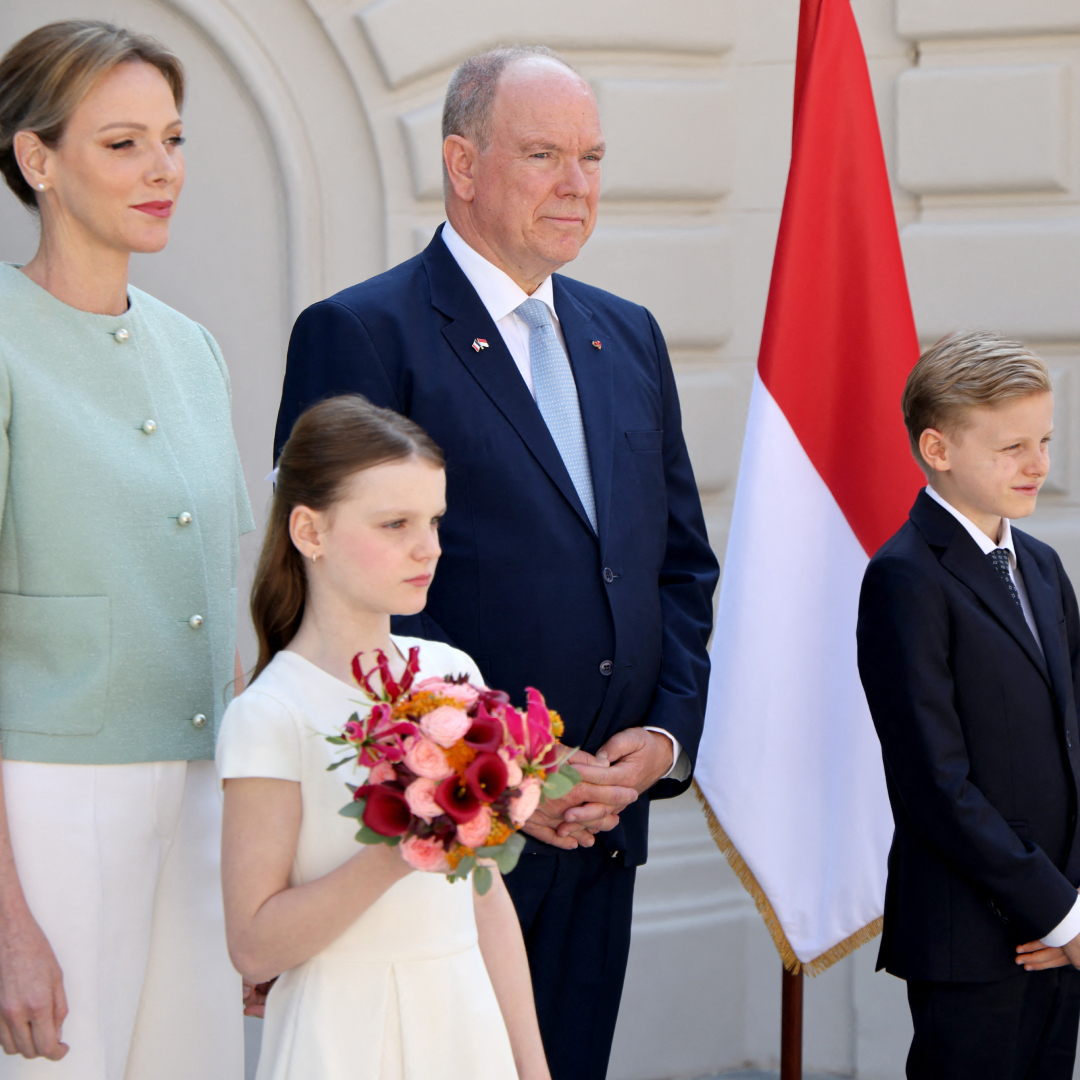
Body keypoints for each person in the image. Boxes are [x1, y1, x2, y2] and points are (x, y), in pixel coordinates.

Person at [273, 44, 718, 1080]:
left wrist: (662, 737)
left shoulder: (629, 336)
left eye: (593, 157)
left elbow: (678, 569)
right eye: (543, 155)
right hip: (446, 840)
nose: (577, 185)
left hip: (605, 822)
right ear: (463, 166)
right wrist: (509, 773)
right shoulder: (361, 332)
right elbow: (339, 595)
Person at [0, 20, 253, 1079]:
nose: (163, 171)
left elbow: (221, 613)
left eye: (174, 139)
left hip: (202, 796)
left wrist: (255, 859)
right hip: (53, 808)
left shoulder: (191, 348)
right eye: (123, 144)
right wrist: (8, 922)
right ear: (37, 159)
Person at [217, 394, 549, 1080]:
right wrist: (408, 844)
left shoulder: (452, 675)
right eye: (395, 523)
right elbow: (253, 947)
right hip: (341, 1033)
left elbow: (485, 899)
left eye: (433, 521)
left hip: (462, 1018)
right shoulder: (272, 712)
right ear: (310, 532)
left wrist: (531, 1065)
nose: (427, 547)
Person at [857, 330, 1080, 1079]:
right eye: (1011, 446)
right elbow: (934, 785)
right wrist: (1060, 911)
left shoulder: (1043, 568)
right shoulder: (905, 579)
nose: (1038, 464)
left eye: (1044, 439)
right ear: (938, 449)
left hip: (1061, 931)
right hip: (973, 939)